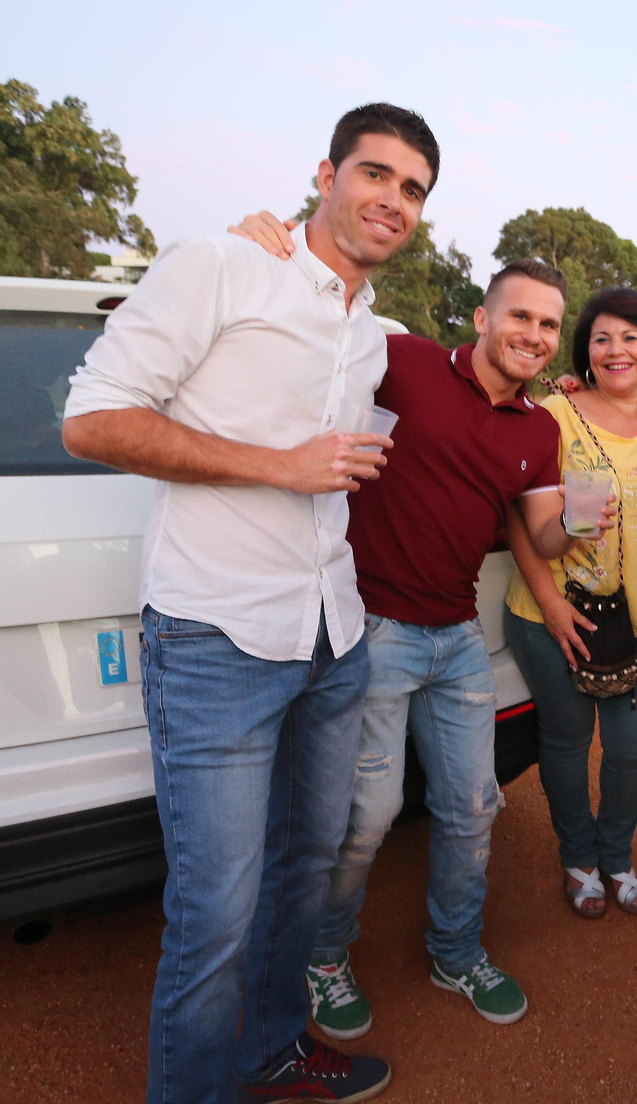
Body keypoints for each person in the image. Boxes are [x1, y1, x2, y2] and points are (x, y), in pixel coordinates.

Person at [61, 103, 438, 1104]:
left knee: (304, 874)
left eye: (412, 189)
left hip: (332, 636)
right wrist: (279, 467)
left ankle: (272, 1046)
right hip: (216, 638)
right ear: (326, 174)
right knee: (214, 916)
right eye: (376, 174)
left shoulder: (370, 334)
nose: (391, 200)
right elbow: (92, 421)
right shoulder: (221, 266)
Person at [227, 209, 613, 1035]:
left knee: (473, 806)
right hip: (374, 630)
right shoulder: (399, 362)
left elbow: (542, 531)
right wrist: (267, 250)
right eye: (520, 316)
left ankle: (455, 949)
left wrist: (582, 525)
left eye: (549, 325)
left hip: (457, 637)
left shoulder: (538, 429)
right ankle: (324, 958)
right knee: (365, 818)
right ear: (482, 317)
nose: (535, 335)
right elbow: (301, 341)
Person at [504, 287, 637, 919]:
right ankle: (579, 860)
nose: (616, 350)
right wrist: (550, 601)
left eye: (630, 337)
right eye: (602, 338)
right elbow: (518, 520)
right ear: (586, 352)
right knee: (566, 740)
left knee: (634, 746)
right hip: (555, 611)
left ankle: (616, 855)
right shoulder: (557, 414)